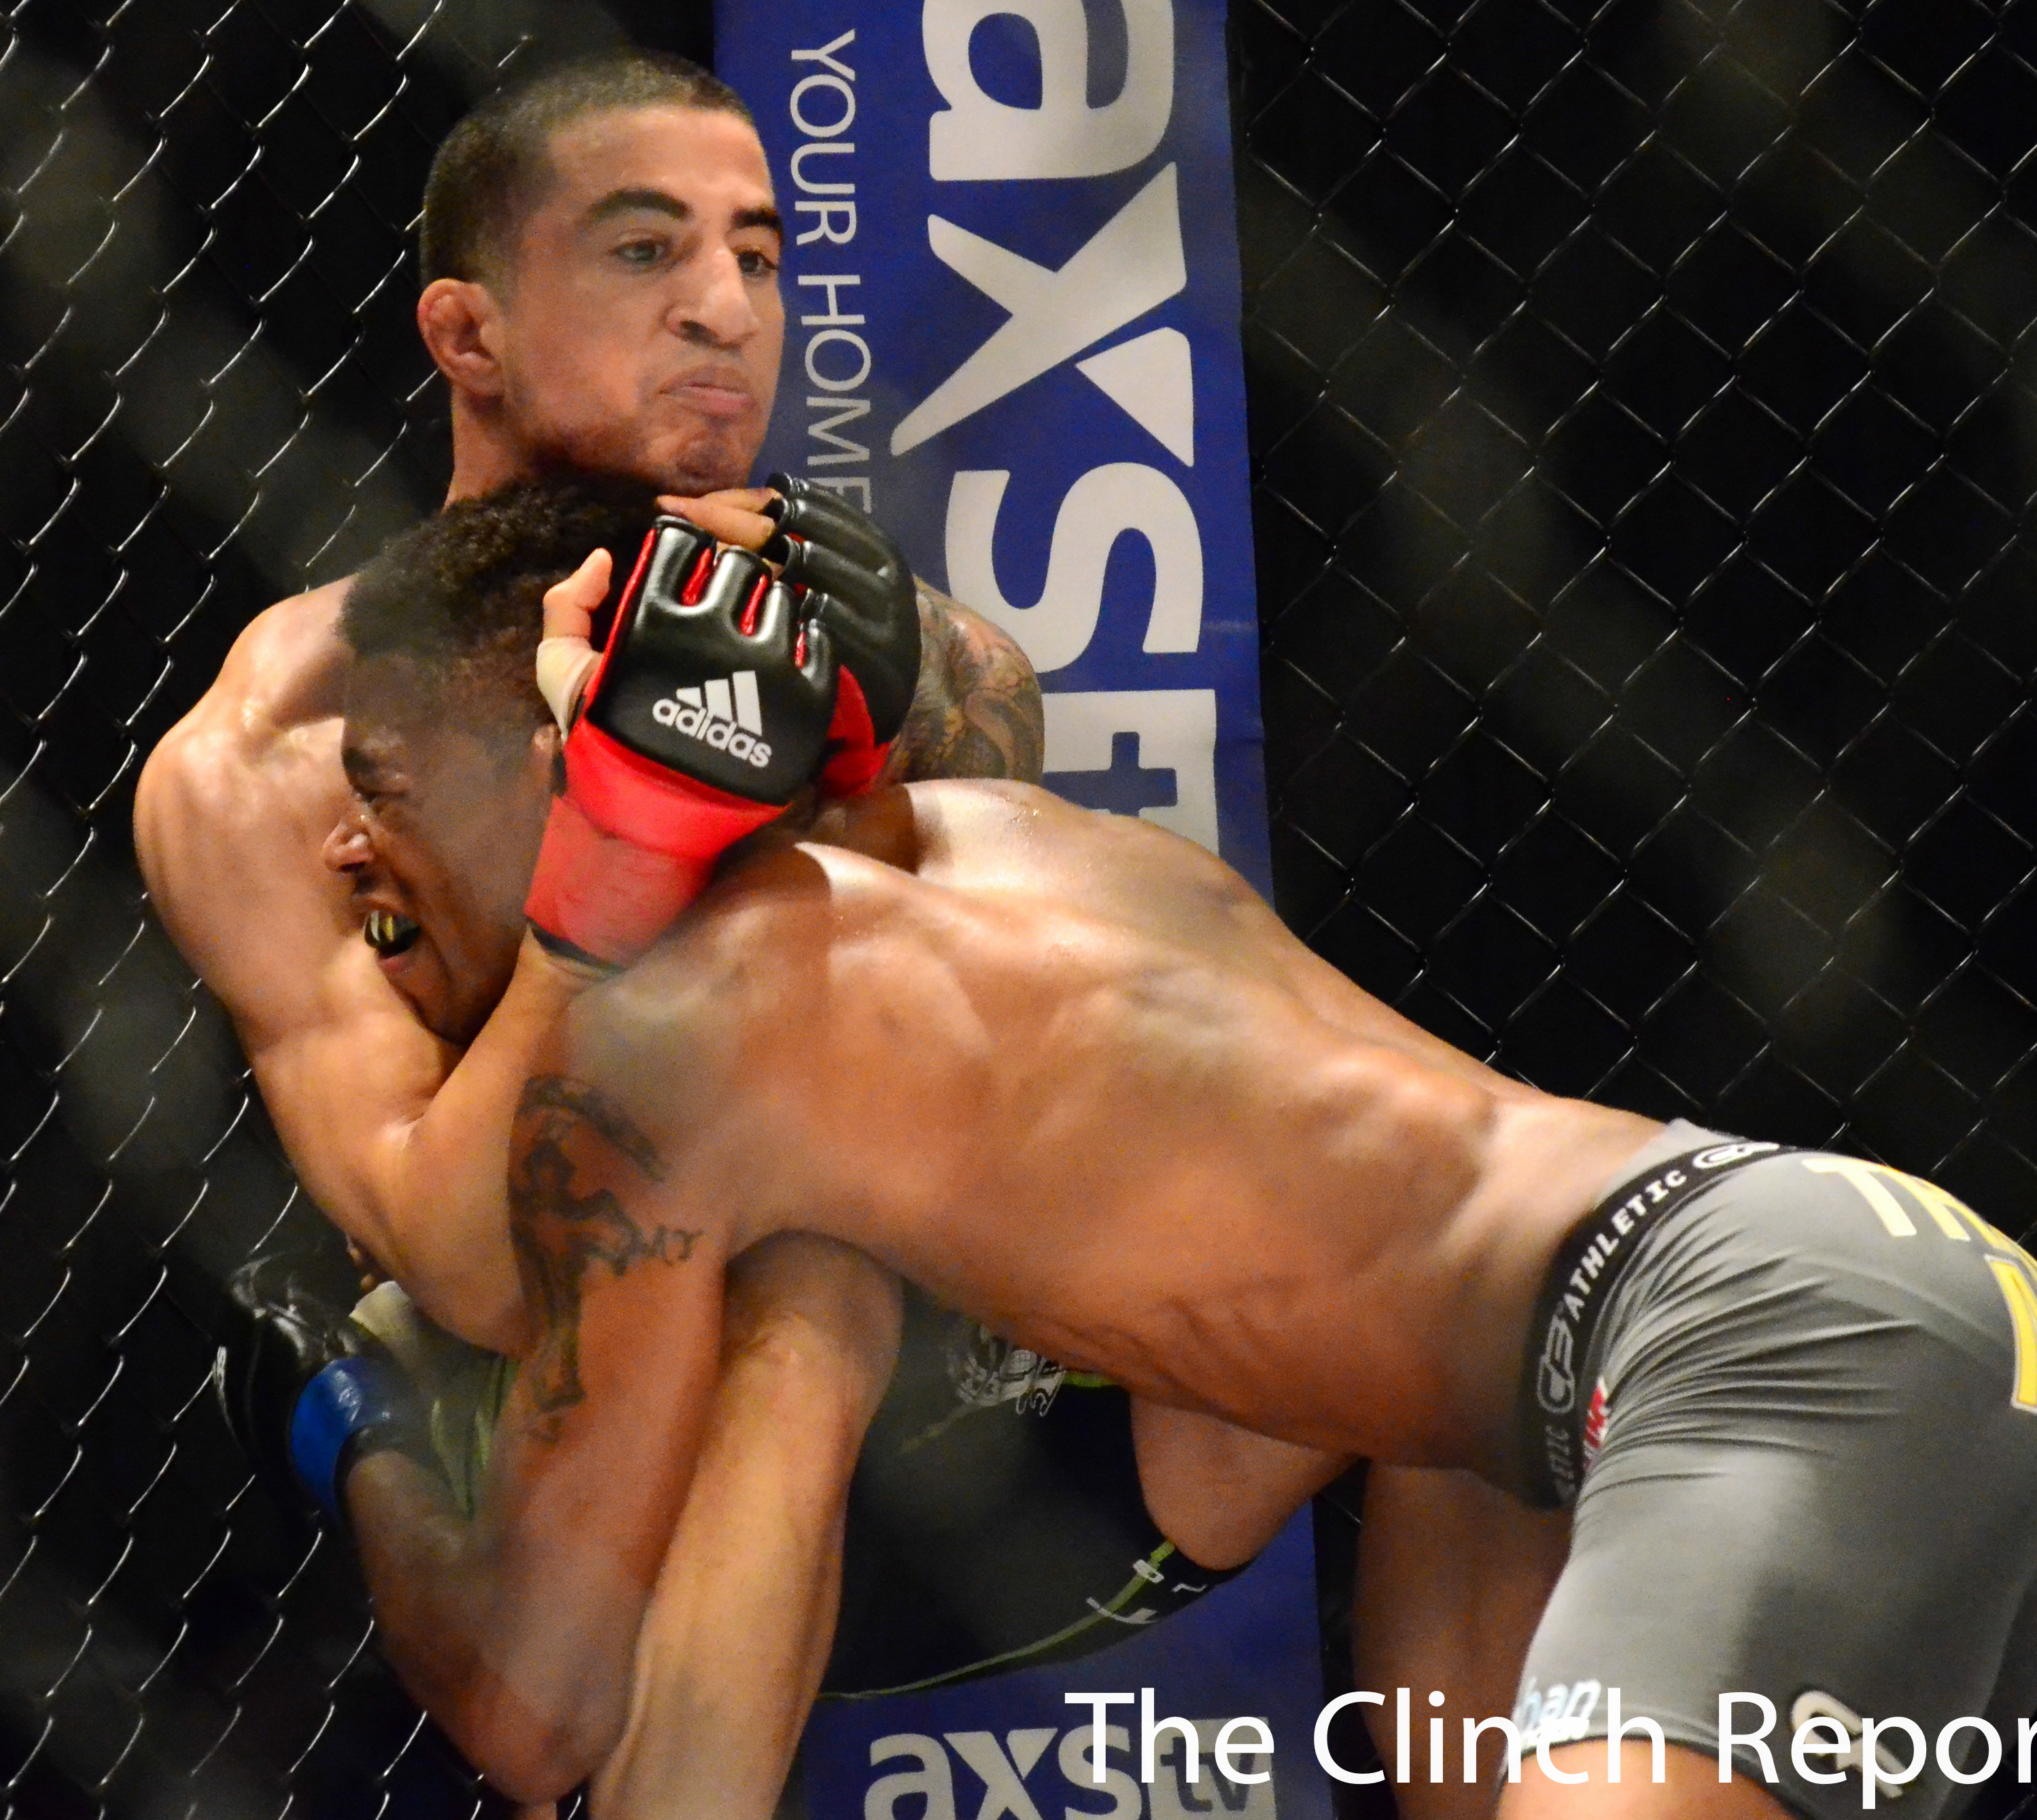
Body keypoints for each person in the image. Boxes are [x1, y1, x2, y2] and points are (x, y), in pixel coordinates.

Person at [305, 473, 2037, 1820]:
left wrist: (361, 1431)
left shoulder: (678, 1047)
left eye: (386, 782)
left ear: (545, 751)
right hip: (1822, 1306)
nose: (346, 849)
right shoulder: (1021, 850)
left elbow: (548, 1703)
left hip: (1747, 1345)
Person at [133, 47, 1280, 1813]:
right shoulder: (274, 765)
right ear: (468, 335)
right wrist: (611, 870)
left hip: (955, 1382)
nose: (724, 311)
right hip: (579, 1387)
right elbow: (453, 1248)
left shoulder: (915, 657)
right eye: (643, 250)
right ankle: (362, 1435)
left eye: (755, 255)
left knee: (1457, 1312)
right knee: (695, 1401)